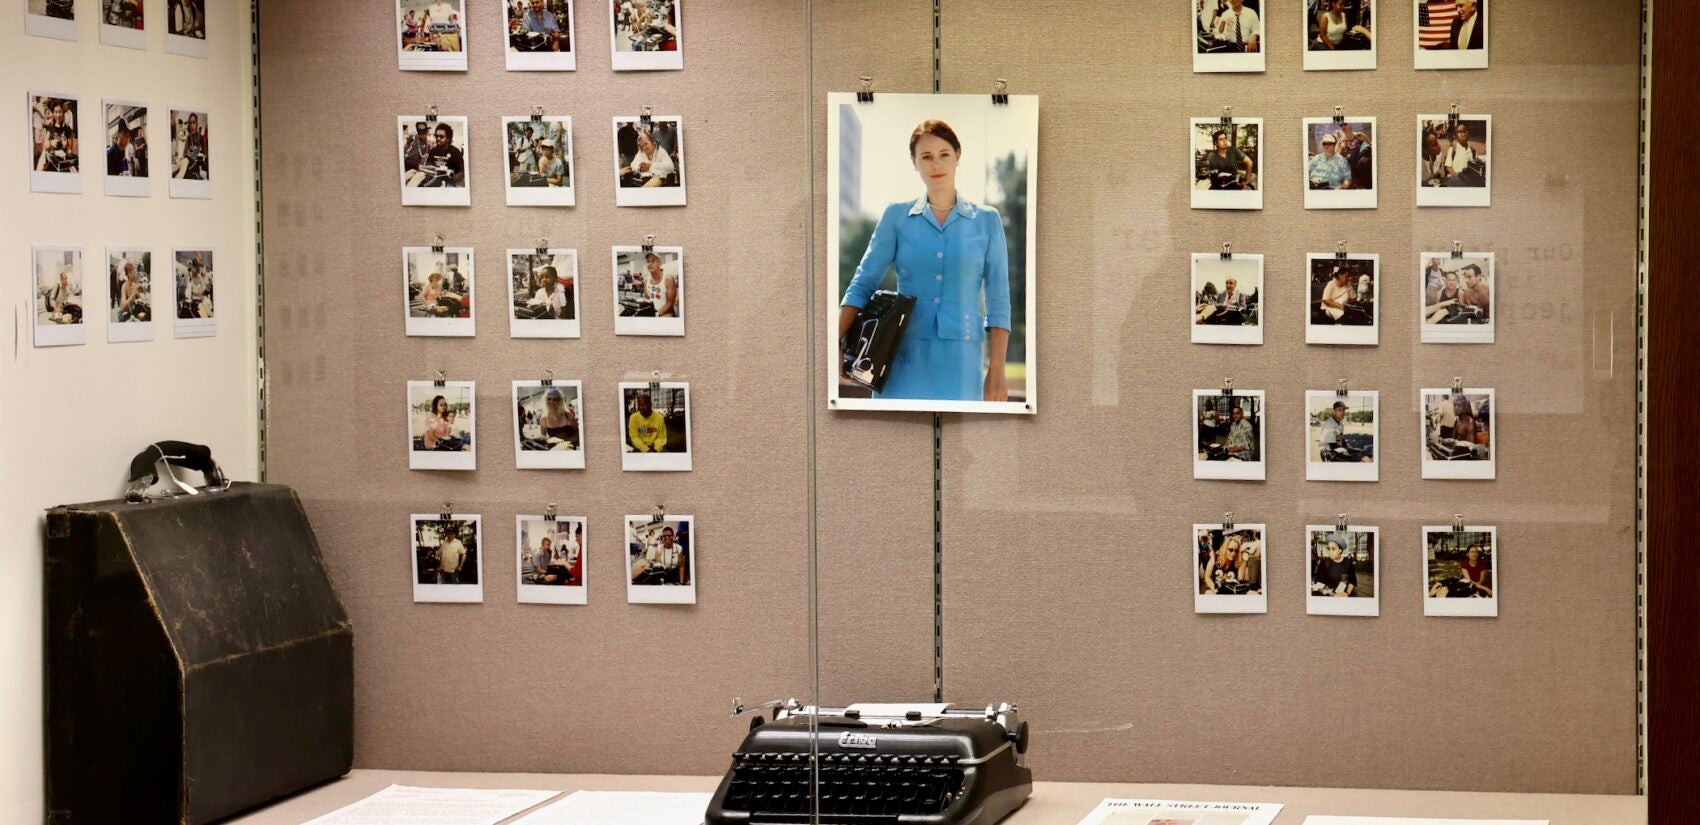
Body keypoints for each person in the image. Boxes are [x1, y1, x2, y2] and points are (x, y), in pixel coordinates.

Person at [839, 120, 1011, 402]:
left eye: (944, 154)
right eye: (926, 157)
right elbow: (862, 283)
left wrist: (997, 371)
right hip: (899, 358)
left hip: (961, 362)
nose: (936, 164)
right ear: (914, 162)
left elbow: (999, 301)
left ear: (958, 155)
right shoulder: (896, 217)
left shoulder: (987, 221)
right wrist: (834, 341)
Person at [422, 122, 466, 187]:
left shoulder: (455, 152)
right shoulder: (433, 151)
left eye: (441, 137)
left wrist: (450, 179)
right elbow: (428, 167)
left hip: (452, 181)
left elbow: (462, 173)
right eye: (436, 136)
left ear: (448, 138)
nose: (438, 138)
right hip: (436, 180)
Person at [640, 251, 678, 317]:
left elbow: (670, 303)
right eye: (648, 261)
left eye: (653, 261)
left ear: (659, 263)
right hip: (651, 313)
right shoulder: (646, 281)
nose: (650, 264)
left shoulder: (668, 279)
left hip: (665, 313)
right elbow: (647, 300)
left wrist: (656, 314)